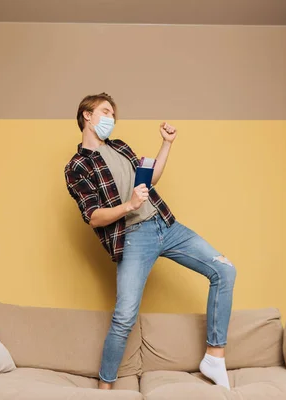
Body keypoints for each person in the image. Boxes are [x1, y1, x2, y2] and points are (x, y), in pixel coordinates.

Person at [64, 93, 237, 390]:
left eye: (114, 114)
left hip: (165, 224)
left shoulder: (119, 147)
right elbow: (93, 216)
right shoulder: (77, 166)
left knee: (224, 269)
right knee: (124, 317)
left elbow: (150, 180)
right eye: (105, 112)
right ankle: (105, 388)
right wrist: (128, 206)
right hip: (133, 237)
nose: (111, 119)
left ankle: (214, 355)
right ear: (87, 115)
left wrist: (167, 144)